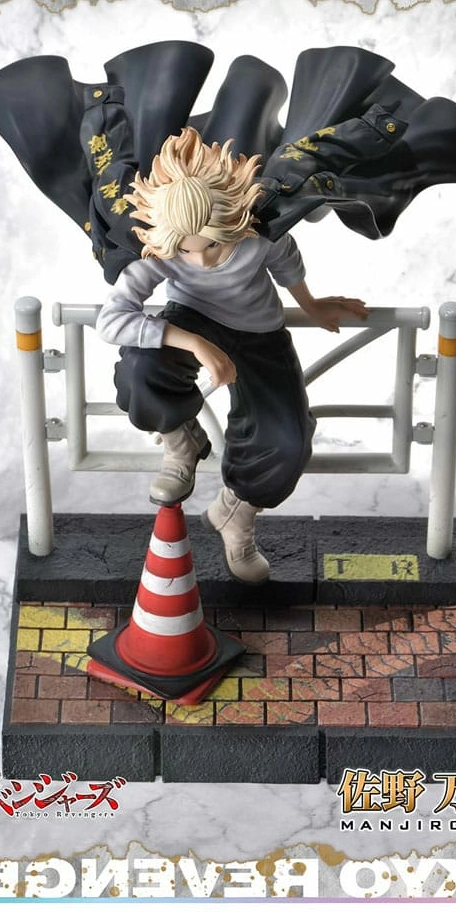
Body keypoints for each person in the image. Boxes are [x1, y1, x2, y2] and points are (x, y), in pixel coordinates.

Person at [95, 126, 369, 584]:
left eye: (213, 245)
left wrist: (311, 304)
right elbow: (111, 320)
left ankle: (235, 512)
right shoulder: (161, 247)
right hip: (192, 321)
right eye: (186, 250)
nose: (201, 261)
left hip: (260, 333)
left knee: (287, 441)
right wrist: (196, 343)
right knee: (139, 369)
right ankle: (181, 441)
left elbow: (286, 258)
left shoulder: (256, 232)